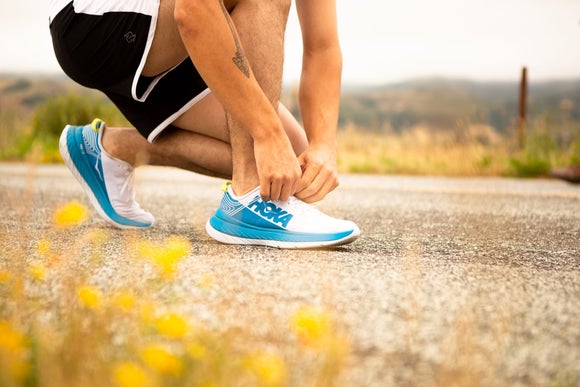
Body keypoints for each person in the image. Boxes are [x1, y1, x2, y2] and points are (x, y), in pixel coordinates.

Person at [48, 0, 360, 248]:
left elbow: (322, 47)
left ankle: (110, 149)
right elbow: (193, 8)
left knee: (294, 166)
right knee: (267, 160)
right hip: (94, 18)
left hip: (174, 29)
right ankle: (249, 197)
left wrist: (323, 145)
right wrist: (267, 133)